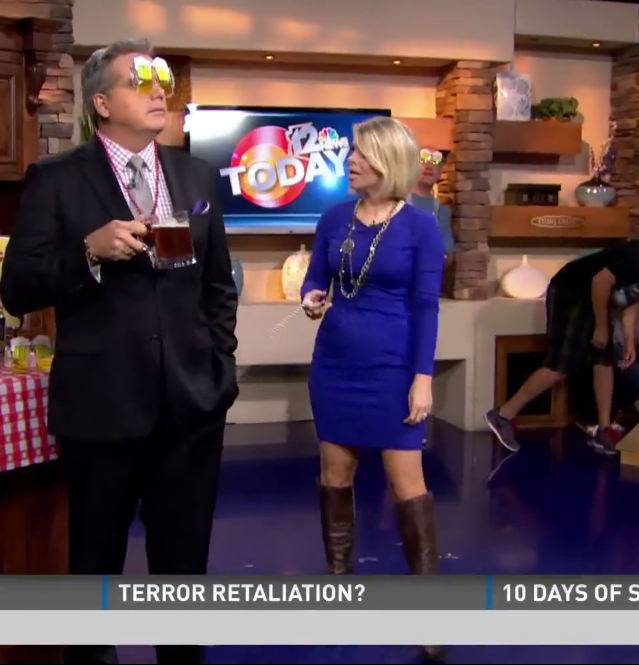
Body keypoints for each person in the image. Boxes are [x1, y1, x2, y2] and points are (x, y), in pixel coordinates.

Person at [0, 38, 239, 665]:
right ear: (101, 103)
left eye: (162, 81)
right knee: (94, 571)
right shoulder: (56, 179)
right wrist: (88, 251)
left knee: (184, 575)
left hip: (191, 410)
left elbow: (218, 288)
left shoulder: (196, 176)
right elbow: (17, 287)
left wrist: (221, 372)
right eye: (141, 82)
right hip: (100, 410)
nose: (159, 91)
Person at [301, 116, 445, 664]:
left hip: (393, 367)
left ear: (388, 161)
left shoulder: (421, 227)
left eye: (361, 153)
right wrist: (311, 296)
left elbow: (426, 307)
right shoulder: (334, 217)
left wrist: (422, 378)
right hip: (335, 364)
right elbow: (316, 276)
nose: (350, 161)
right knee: (335, 475)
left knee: (408, 482)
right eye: (352, 153)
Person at [484, 244, 639, 456]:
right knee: (562, 363)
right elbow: (600, 281)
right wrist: (601, 327)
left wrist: (629, 342)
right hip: (572, 290)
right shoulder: (635, 254)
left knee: (604, 359)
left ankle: (603, 431)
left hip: (596, 298)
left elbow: (630, 308)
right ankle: (503, 415)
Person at [411, 146, 455, 257]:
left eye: (435, 162)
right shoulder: (396, 201)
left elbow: (448, 254)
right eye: (423, 159)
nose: (429, 166)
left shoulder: (441, 211)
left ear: (440, 172)